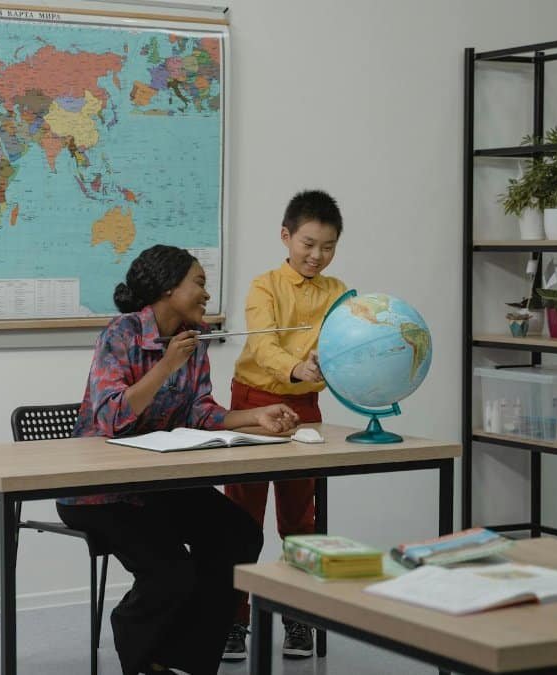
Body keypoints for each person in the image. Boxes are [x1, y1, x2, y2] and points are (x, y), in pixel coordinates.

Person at [58, 244, 300, 675]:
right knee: (171, 572)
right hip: (99, 493)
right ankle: (140, 649)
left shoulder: (195, 339)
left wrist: (255, 417)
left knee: (239, 535)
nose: (207, 295)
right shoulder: (122, 334)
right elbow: (109, 417)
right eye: (200, 284)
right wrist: (166, 366)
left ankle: (186, 661)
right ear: (169, 288)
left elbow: (200, 412)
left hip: (157, 485)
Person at [222, 190, 348, 661]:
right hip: (252, 403)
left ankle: (299, 619)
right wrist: (296, 368)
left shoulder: (339, 294)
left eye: (329, 246)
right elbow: (260, 347)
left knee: (300, 518)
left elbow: (345, 344)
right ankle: (234, 620)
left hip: (306, 409)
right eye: (309, 243)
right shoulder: (263, 287)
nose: (317, 255)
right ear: (286, 236)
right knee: (241, 518)